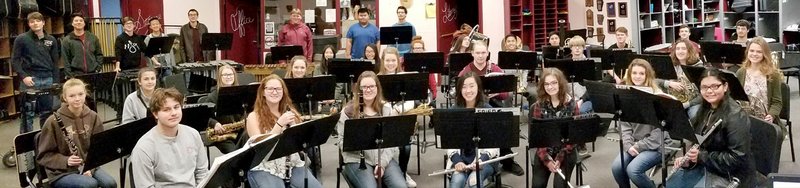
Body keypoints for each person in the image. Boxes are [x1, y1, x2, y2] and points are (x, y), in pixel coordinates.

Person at [665, 68, 756, 188]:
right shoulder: (705, 109)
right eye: (704, 87)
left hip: (731, 175)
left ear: (725, 87)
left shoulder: (736, 116)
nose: (709, 91)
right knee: (671, 184)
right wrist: (689, 160)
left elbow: (737, 158)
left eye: (715, 86)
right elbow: (699, 143)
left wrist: (701, 156)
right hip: (709, 165)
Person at [245, 75, 323, 188]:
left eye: (278, 89)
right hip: (265, 166)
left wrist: (295, 128)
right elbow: (260, 148)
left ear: (283, 92)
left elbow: (301, 144)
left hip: (291, 164)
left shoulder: (290, 112)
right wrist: (279, 124)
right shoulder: (253, 117)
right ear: (263, 92)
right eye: (270, 89)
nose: (274, 92)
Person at [37, 78, 117, 188]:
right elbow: (43, 156)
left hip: (88, 165)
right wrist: (66, 160)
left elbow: (99, 149)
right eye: (72, 96)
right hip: (61, 171)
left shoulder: (93, 116)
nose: (77, 99)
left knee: (110, 184)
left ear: (85, 94)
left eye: (80, 94)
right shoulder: (53, 121)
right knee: (90, 185)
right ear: (65, 98)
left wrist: (90, 168)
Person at [337, 71, 407, 188]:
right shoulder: (348, 112)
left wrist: (382, 164)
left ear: (377, 88)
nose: (368, 90)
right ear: (358, 89)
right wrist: (357, 141)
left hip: (383, 158)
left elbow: (392, 143)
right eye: (364, 87)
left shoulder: (386, 109)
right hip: (357, 160)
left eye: (371, 86)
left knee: (400, 186)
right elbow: (341, 141)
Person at [611, 59, 672, 188]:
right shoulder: (627, 97)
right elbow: (625, 127)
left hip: (658, 145)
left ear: (647, 76)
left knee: (633, 170)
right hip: (634, 145)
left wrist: (638, 147)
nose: (637, 77)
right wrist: (629, 146)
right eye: (634, 73)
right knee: (617, 167)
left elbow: (658, 133)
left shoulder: (658, 96)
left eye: (641, 73)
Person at [130, 88, 209, 187]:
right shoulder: (143, 148)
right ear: (155, 114)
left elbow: (202, 172)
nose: (173, 113)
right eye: (166, 110)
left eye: (176, 107)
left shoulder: (193, 134)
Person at [531, 68, 580, 188]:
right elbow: (538, 137)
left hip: (566, 151)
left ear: (560, 84)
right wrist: (547, 160)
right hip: (545, 150)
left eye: (554, 83)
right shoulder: (539, 105)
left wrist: (559, 158)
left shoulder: (572, 104)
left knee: (559, 186)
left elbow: (573, 137)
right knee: (537, 185)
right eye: (547, 84)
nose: (550, 87)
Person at [448, 72, 499, 188]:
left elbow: (495, 142)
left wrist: (482, 159)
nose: (468, 90)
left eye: (472, 86)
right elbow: (448, 141)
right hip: (460, 159)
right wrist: (457, 160)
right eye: (464, 87)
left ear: (478, 88)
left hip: (485, 160)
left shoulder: (488, 110)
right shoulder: (453, 111)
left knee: (473, 181)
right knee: (457, 181)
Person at [12, 12, 60, 133]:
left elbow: (55, 63)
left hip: (48, 79)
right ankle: (26, 148)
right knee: (27, 115)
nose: (35, 23)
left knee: (47, 113)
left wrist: (56, 82)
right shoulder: (21, 39)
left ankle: (46, 142)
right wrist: (24, 76)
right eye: (32, 21)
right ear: (28, 24)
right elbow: (15, 60)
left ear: (43, 22)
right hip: (30, 80)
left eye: (38, 21)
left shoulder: (51, 40)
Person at [378, 47, 417, 187]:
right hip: (383, 120)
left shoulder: (404, 77)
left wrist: (397, 109)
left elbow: (411, 101)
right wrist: (389, 109)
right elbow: (377, 100)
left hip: (400, 118)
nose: (390, 63)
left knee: (405, 147)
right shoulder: (377, 78)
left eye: (393, 60)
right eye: (387, 60)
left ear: (398, 61)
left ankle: (402, 173)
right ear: (383, 61)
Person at [736, 37, 784, 132]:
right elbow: (735, 98)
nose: (754, 54)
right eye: (752, 51)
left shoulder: (773, 74)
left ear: (764, 54)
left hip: (765, 119)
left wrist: (771, 115)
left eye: (759, 52)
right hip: (745, 118)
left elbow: (777, 102)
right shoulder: (741, 72)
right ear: (747, 52)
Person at [199, 65, 241, 154]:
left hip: (240, 132)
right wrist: (214, 123)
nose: (228, 77)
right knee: (234, 154)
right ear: (219, 77)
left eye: (231, 74)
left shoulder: (240, 93)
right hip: (223, 134)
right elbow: (203, 116)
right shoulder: (213, 96)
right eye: (225, 75)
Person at [660, 39, 703, 118]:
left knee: (694, 115)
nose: (680, 51)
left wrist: (686, 104)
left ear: (689, 51)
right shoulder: (670, 65)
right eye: (678, 49)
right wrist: (669, 83)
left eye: (683, 48)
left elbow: (703, 94)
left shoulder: (698, 67)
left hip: (693, 102)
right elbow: (654, 80)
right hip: (674, 101)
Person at [62, 13, 103, 78]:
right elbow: (66, 60)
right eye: (76, 21)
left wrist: (98, 68)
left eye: (81, 21)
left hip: (93, 74)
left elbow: (99, 54)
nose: (79, 22)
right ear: (72, 24)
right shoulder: (67, 40)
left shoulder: (93, 37)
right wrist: (70, 75)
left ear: (84, 23)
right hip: (76, 75)